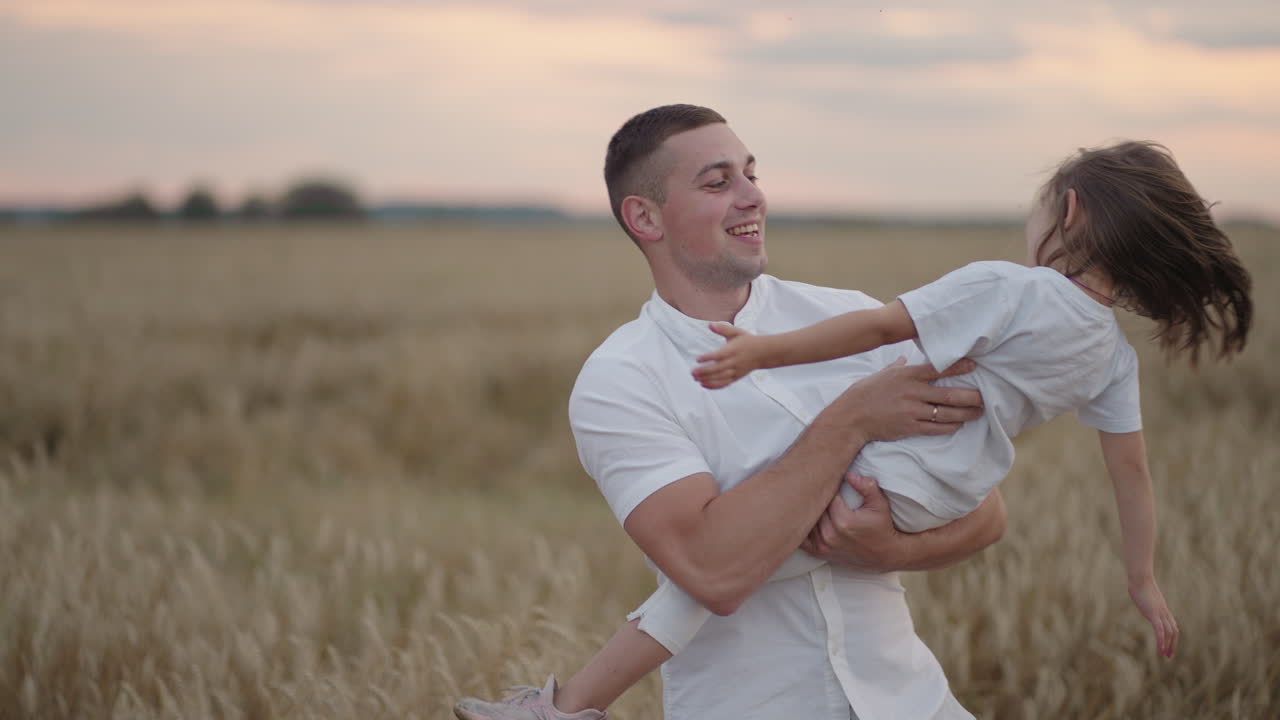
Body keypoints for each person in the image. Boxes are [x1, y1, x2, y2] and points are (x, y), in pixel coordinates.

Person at [455, 104, 1008, 720]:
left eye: (751, 173)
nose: (753, 197)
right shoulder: (621, 379)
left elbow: (986, 512)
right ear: (645, 217)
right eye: (718, 182)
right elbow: (712, 572)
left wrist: (890, 551)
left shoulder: (852, 320)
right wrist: (853, 419)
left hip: (915, 703)